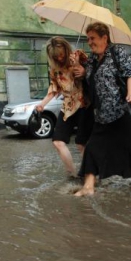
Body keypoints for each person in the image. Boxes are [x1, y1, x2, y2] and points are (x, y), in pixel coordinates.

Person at [72, 22, 131, 197]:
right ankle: (88, 187)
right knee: (92, 148)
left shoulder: (117, 53)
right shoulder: (93, 59)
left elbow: (130, 74)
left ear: (104, 38)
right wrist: (80, 68)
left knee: (130, 149)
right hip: (101, 115)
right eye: (88, 39)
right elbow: (89, 77)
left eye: (92, 38)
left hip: (120, 112)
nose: (90, 42)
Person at [36, 36, 94, 177]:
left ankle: (91, 174)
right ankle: (73, 174)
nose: (60, 59)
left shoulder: (79, 56)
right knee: (57, 141)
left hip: (83, 104)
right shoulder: (55, 69)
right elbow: (54, 88)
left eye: (62, 55)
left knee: (81, 143)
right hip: (68, 106)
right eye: (56, 57)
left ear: (66, 49)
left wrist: (83, 70)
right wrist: (42, 105)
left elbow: (95, 72)